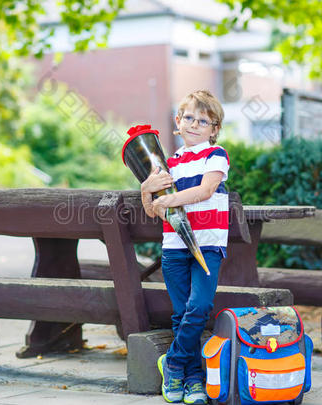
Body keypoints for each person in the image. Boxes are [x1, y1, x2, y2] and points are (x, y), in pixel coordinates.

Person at [140, 90, 229, 404]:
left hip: (207, 246)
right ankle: (191, 380)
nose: (194, 124)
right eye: (188, 117)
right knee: (181, 314)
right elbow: (154, 210)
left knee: (199, 307)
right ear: (178, 122)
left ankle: (173, 363)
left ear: (213, 128)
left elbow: (205, 191)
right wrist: (146, 191)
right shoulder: (169, 164)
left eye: (203, 121)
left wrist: (170, 198)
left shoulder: (215, 154)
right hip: (174, 248)